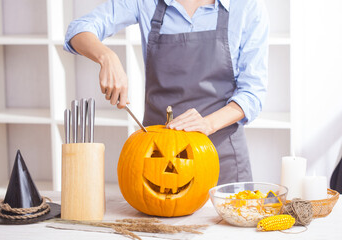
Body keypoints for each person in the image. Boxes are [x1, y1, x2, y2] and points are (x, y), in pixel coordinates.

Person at [64, 0, 269, 184]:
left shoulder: (246, 6)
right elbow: (78, 30)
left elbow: (253, 93)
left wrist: (207, 124)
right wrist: (106, 57)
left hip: (222, 158)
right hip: (158, 159)